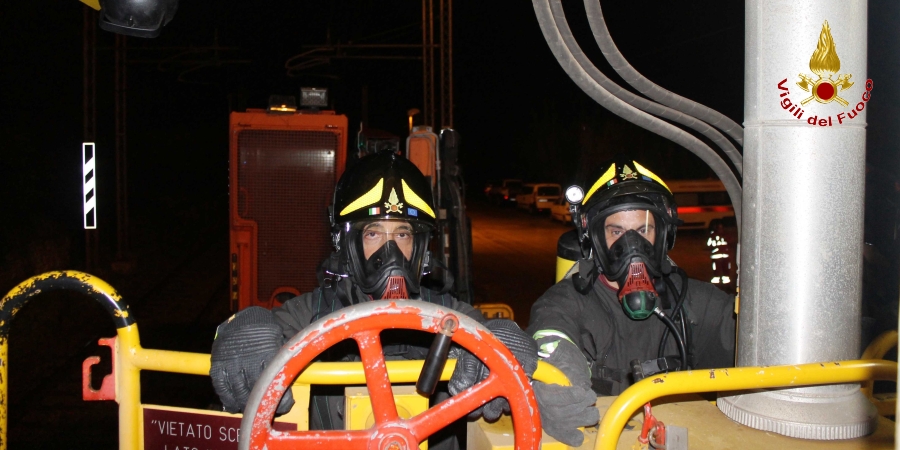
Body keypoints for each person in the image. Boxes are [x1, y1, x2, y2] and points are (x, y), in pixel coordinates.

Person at [209, 150, 548, 448]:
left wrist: (506, 336)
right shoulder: (314, 314)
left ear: (421, 247)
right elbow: (263, 335)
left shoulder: (448, 315)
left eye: (402, 233)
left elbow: (487, 331)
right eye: (373, 233)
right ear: (345, 245)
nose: (392, 253)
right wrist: (241, 326)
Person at [526, 156, 736, 442]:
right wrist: (554, 375)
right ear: (594, 238)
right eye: (616, 232)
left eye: (643, 230)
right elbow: (550, 333)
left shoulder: (698, 303)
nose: (631, 246)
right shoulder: (565, 303)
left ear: (663, 234)